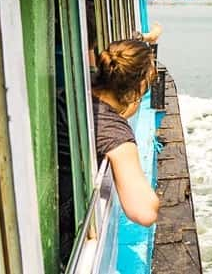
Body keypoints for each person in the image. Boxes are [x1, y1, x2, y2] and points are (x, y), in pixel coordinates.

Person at [58, 39, 160, 263]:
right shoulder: (113, 131)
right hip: (63, 233)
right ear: (139, 89)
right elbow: (143, 213)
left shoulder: (70, 94)